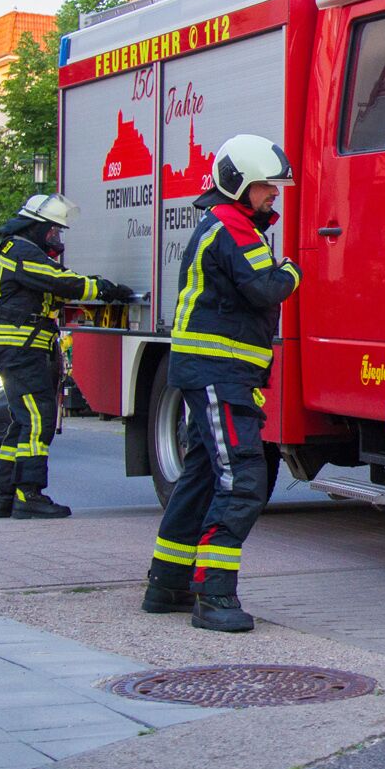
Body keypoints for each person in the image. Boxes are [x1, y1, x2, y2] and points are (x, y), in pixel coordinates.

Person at [142, 134, 301, 633]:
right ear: (238, 187)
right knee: (243, 480)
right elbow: (267, 288)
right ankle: (213, 595)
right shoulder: (234, 229)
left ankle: (167, 583)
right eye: (265, 188)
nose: (273, 195)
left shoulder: (223, 225)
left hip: (213, 372)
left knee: (202, 478)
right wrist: (294, 269)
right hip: (221, 374)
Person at [0, 193, 133, 519]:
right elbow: (60, 282)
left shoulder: (22, 250)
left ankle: (4, 496)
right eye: (53, 231)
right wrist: (103, 289)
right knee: (39, 419)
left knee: (23, 422)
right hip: (21, 347)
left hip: (23, 346)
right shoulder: (20, 249)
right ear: (35, 226)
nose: (56, 238)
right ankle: (30, 496)